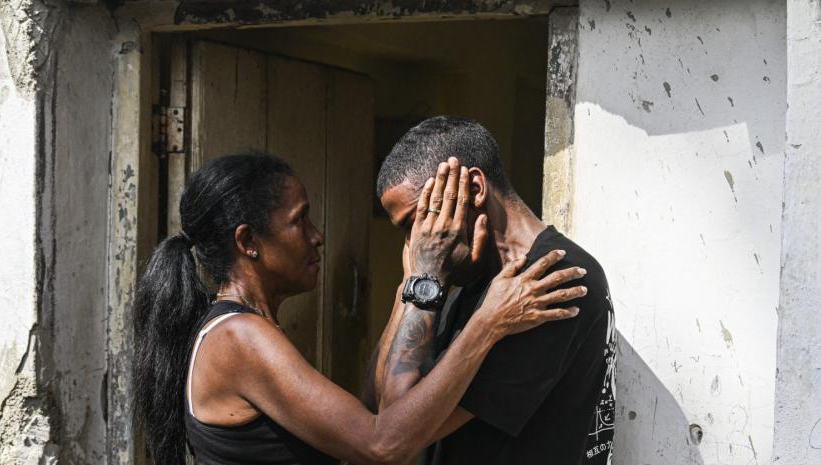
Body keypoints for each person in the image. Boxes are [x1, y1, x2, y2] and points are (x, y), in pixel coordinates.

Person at [132, 152, 589, 465]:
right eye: (300, 220)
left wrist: (414, 285)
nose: (316, 235)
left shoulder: (247, 330)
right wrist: (486, 324)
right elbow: (381, 444)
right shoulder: (238, 338)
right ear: (249, 242)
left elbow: (367, 415)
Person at [370, 116, 617, 465]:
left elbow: (394, 435)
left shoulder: (549, 280)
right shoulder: (468, 283)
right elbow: (375, 405)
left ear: (473, 189)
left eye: (417, 221)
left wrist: (426, 277)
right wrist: (414, 282)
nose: (415, 243)